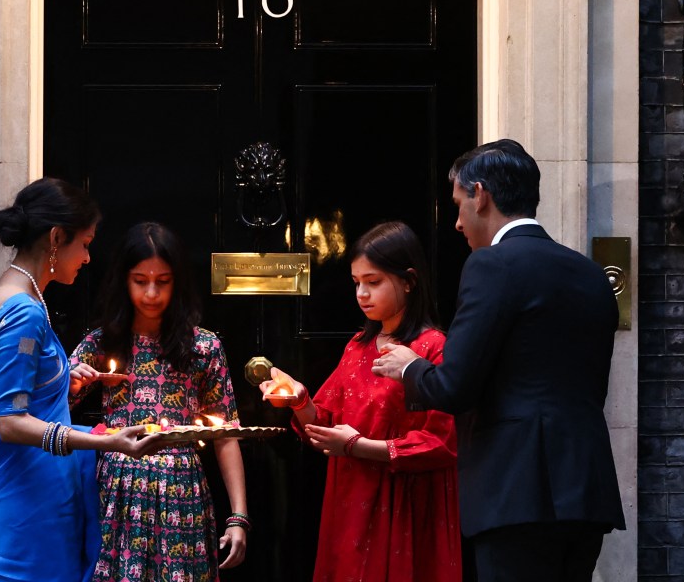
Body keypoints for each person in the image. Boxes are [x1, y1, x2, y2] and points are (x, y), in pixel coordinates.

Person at [373, 139, 626, 582]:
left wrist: (410, 365)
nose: (456, 223)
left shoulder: (492, 265)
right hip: (586, 488)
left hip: (516, 490)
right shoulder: (590, 273)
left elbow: (455, 386)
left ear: (481, 195)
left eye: (458, 204)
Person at [0, 178, 163, 582]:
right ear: (56, 238)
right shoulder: (24, 311)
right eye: (83, 243)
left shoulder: (15, 296)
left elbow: (12, 394)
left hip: (19, 493)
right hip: (26, 505)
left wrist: (65, 383)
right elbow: (10, 422)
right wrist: (105, 441)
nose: (86, 257)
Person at [259, 220, 461, 582]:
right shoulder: (358, 346)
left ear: (409, 281)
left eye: (374, 282)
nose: (361, 294)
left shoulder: (432, 347)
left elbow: (441, 442)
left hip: (405, 502)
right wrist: (298, 399)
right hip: (352, 498)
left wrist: (359, 446)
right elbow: (323, 425)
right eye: (357, 283)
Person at [67, 221, 248, 582]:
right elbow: (50, 417)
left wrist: (239, 516)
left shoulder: (203, 348)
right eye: (140, 280)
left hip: (182, 493)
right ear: (124, 281)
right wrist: (72, 387)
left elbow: (226, 434)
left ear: (177, 282)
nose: (151, 293)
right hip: (117, 494)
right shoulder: (101, 344)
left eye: (162, 281)